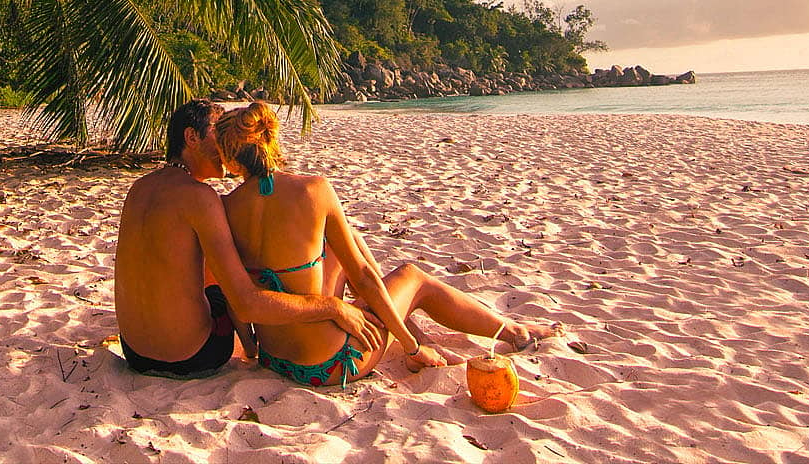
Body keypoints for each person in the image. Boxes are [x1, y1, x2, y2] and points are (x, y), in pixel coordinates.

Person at [215, 101, 558, 387]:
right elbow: (363, 276)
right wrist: (410, 350)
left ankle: (404, 325)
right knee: (413, 276)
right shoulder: (313, 190)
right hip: (333, 365)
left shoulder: (226, 207)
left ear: (230, 159)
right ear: (272, 141)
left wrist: (251, 349)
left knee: (345, 243)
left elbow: (233, 293)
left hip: (278, 361)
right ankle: (510, 331)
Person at [114, 99, 384, 379]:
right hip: (191, 357)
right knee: (231, 270)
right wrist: (333, 308)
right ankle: (256, 345)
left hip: (134, 353)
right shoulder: (200, 197)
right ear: (191, 137)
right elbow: (247, 303)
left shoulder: (139, 188)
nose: (224, 145)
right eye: (216, 133)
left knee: (211, 260)